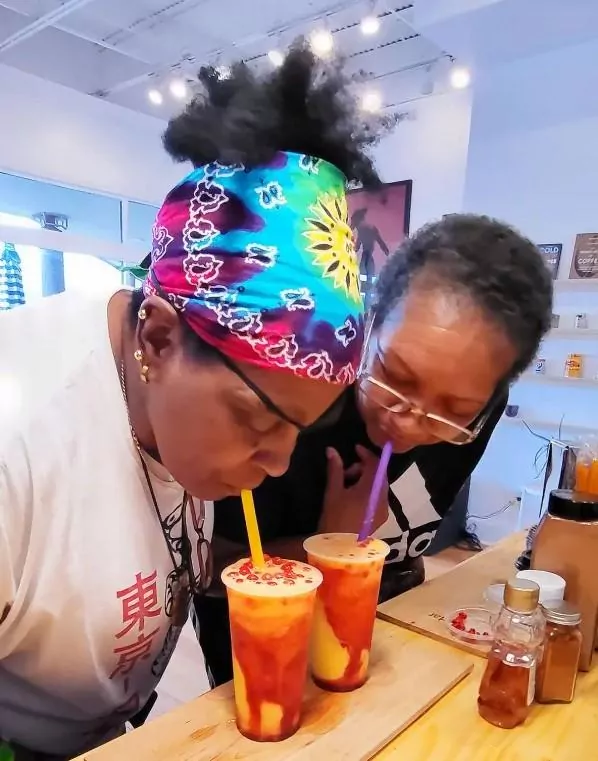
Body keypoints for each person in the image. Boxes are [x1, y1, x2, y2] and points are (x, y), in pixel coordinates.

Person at [0, 43, 385, 759]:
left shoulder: (176, 411)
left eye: (297, 429)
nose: (277, 464)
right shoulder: (18, 442)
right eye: (257, 419)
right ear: (159, 336)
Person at [198, 213, 553, 685]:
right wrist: (330, 545)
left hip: (389, 646)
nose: (407, 423)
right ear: (368, 325)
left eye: (453, 410)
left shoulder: (480, 411)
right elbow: (201, 570)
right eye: (395, 376)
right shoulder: (293, 396)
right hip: (265, 662)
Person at [351, 206, 390, 308]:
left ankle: (365, 307)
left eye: (356, 224)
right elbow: (380, 243)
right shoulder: (369, 229)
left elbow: (357, 247)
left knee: (365, 284)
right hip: (366, 258)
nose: (356, 227)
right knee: (366, 284)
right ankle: (365, 307)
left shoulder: (364, 229)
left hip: (366, 258)